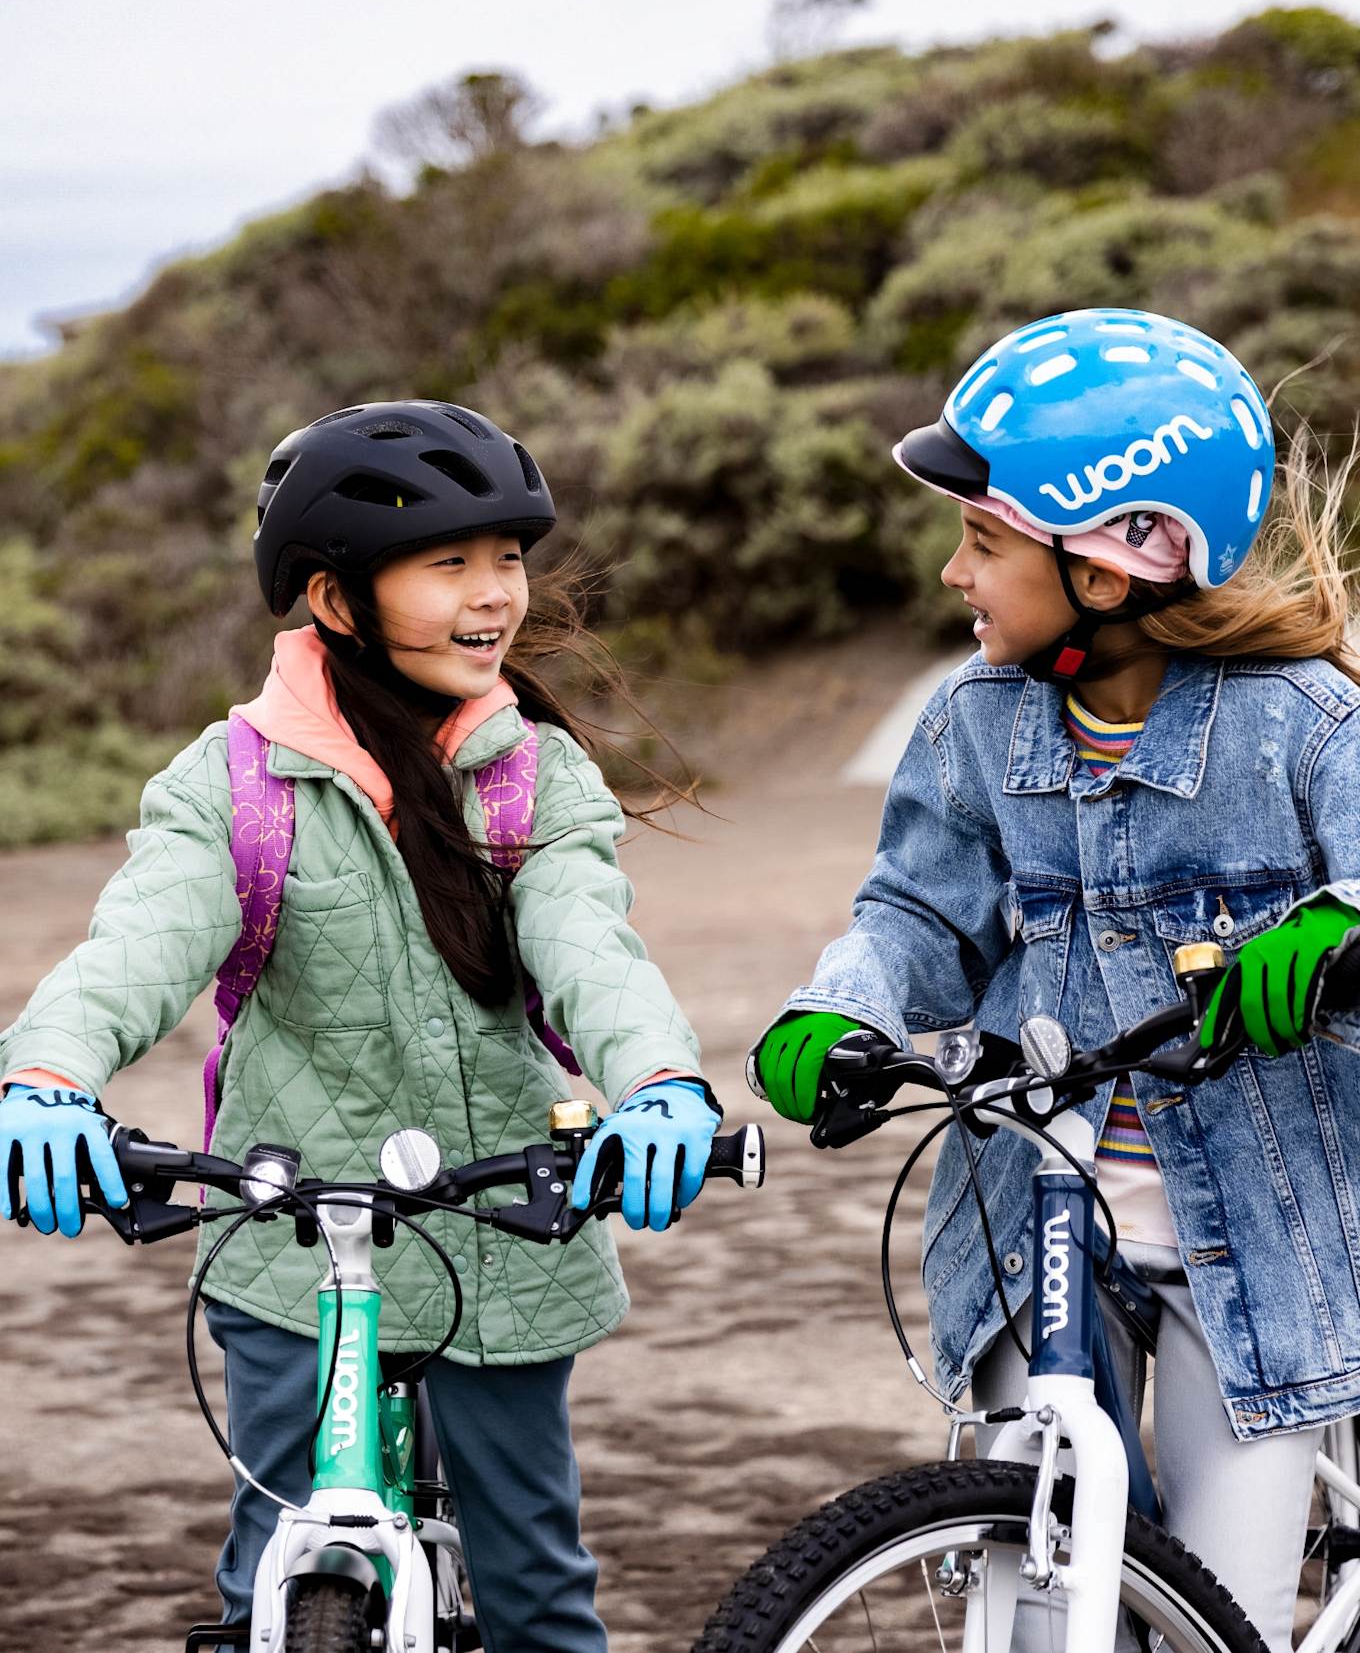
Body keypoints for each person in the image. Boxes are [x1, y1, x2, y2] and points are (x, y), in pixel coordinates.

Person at [0, 400, 722, 1653]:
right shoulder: (233, 782)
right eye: (449, 563)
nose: (495, 593)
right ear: (336, 600)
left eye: (506, 557)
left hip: (503, 1233)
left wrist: (658, 1080)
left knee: (538, 1597)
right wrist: (49, 1077)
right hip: (290, 1243)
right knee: (266, 1581)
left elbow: (586, 944)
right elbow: (138, 942)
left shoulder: (533, 774)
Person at [750, 308, 1360, 1653]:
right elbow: (914, 909)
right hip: (1033, 1213)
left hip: (1254, 1248)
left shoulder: (1305, 721)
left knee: (1219, 1607)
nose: (955, 569)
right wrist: (842, 1005)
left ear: (1117, 555)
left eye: (984, 539)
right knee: (1039, 1599)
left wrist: (1338, 928)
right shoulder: (975, 721)